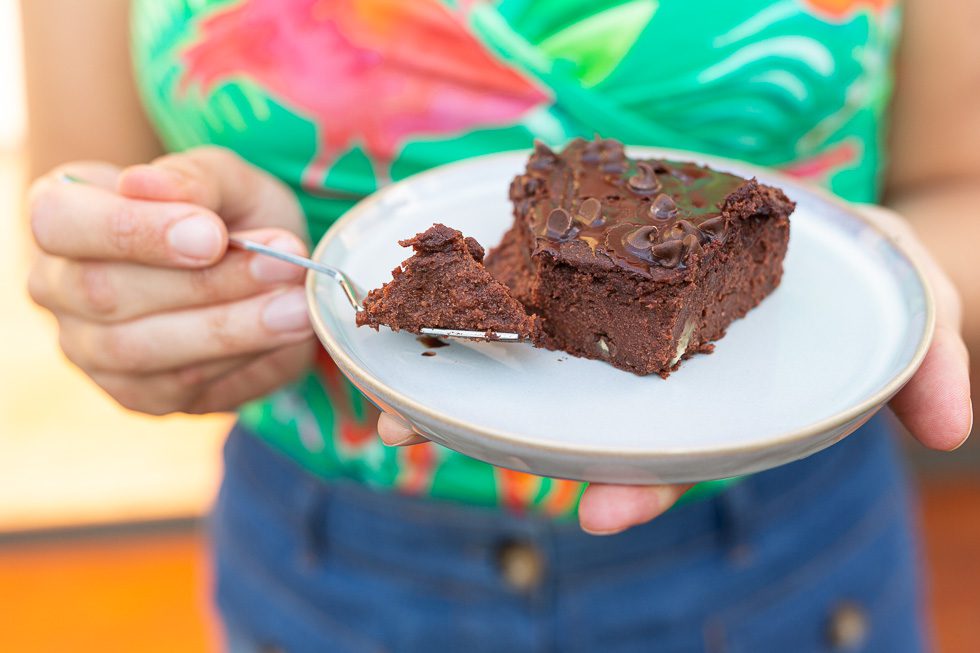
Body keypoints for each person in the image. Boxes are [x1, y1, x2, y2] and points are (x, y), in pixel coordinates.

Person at [22, 0, 974, 650]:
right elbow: (75, 181)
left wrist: (891, 267)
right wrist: (154, 273)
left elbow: (961, 185)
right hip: (326, 561)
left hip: (789, 551)